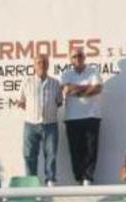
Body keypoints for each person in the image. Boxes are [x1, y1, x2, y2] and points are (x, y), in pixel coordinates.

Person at [18, 54, 62, 186]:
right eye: (38, 63)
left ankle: (50, 180)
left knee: (51, 155)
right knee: (29, 155)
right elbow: (22, 101)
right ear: (34, 65)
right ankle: (32, 182)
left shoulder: (55, 83)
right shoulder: (26, 82)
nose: (41, 65)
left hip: (50, 124)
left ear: (48, 65)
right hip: (31, 124)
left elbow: (59, 102)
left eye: (44, 62)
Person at [62, 49, 103, 186]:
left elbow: (97, 89)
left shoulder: (93, 71)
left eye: (80, 55)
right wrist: (87, 88)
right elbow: (67, 90)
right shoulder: (66, 74)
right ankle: (79, 177)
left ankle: (88, 178)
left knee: (91, 149)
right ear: (70, 59)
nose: (77, 58)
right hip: (72, 118)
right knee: (75, 150)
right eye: (74, 56)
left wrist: (77, 89)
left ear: (84, 57)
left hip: (91, 116)